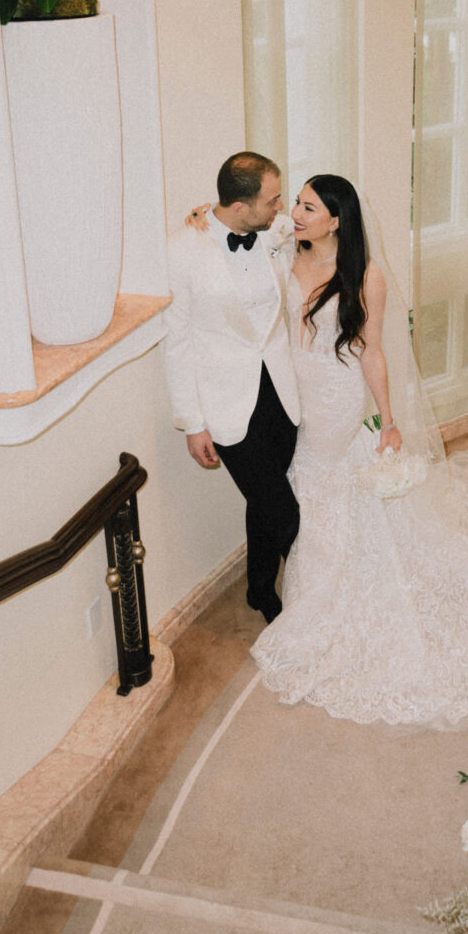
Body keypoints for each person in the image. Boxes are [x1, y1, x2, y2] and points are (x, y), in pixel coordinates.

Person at [188, 174, 468, 729]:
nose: (296, 213)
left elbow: (371, 352)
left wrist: (388, 421)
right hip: (289, 393)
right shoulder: (279, 249)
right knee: (288, 485)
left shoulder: (364, 277)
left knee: (319, 481)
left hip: (336, 398)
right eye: (294, 203)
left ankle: (317, 581)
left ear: (337, 220)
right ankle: (275, 575)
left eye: (309, 207)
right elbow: (238, 227)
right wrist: (203, 217)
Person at [164, 151, 300, 624]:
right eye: (273, 199)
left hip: (281, 394)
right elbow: (176, 343)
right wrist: (192, 423)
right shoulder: (182, 250)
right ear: (241, 206)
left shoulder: (275, 233)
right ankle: (323, 601)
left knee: (264, 506)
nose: (281, 208)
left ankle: (261, 591)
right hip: (225, 406)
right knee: (285, 514)